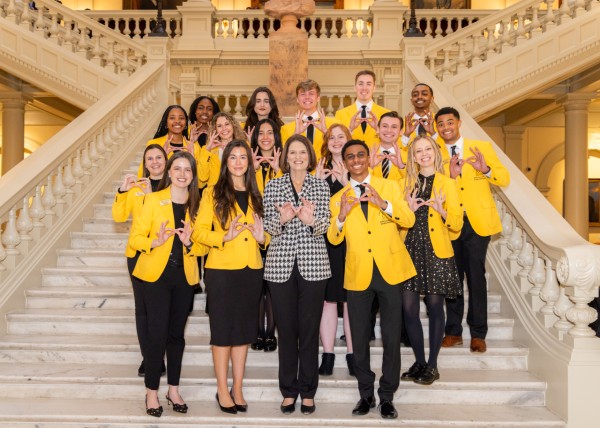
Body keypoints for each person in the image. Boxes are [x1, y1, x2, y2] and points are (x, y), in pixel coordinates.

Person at [327, 139, 415, 420]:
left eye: (360, 155)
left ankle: (387, 396)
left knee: (391, 336)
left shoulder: (390, 186)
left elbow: (408, 219)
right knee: (360, 337)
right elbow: (333, 237)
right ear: (345, 162)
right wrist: (340, 216)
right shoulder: (336, 198)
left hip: (390, 270)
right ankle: (365, 393)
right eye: (350, 156)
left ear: (369, 158)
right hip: (358, 274)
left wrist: (384, 204)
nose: (355, 160)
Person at [129, 151, 206, 417]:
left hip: (184, 278)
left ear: (193, 175)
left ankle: (173, 389)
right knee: (157, 335)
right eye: (177, 168)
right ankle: (151, 392)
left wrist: (189, 243)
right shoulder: (152, 200)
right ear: (170, 172)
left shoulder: (198, 206)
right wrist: (154, 242)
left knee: (177, 336)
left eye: (188, 170)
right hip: (155, 277)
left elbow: (203, 245)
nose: (182, 174)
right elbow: (135, 239)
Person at [196, 140, 268, 414]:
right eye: (233, 157)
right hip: (222, 270)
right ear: (225, 162)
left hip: (251, 269)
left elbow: (265, 231)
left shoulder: (255, 192)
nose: (238, 162)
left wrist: (264, 239)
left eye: (243, 158)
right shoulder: (212, 194)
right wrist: (223, 236)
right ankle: (222, 389)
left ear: (249, 163)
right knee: (223, 333)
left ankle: (238, 387)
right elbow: (200, 232)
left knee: (243, 333)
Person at [263, 134, 331, 416]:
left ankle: (308, 391)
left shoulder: (321, 185)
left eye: (302, 152)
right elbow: (268, 225)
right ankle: (288, 391)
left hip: (314, 266)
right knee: (287, 332)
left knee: (309, 331)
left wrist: (311, 221)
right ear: (285, 157)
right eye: (293, 152)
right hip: (280, 267)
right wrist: (282, 219)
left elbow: (325, 223)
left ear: (309, 155)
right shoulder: (273, 185)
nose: (298, 157)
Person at [435, 107, 510, 353]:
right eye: (441, 124)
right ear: (437, 127)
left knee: (476, 277)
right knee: (452, 279)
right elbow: (433, 185)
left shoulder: (481, 148)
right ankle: (453, 331)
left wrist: (485, 169)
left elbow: (504, 178)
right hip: (449, 222)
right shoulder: (434, 151)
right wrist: (449, 175)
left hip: (478, 223)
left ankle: (478, 333)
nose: (446, 127)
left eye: (449, 122)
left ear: (458, 122)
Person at [400, 136, 463, 385]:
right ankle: (420, 361)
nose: (424, 154)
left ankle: (433, 365)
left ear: (435, 153)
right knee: (408, 308)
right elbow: (396, 221)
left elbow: (457, 224)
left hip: (437, 251)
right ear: (413, 157)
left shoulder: (448, 183)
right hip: (410, 249)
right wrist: (409, 211)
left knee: (436, 306)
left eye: (428, 149)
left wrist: (442, 210)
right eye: (418, 151)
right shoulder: (404, 184)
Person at [112, 144, 167, 378]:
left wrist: (150, 197)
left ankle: (159, 353)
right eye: (150, 159)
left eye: (158, 157)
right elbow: (119, 216)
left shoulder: (173, 186)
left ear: (166, 161)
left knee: (161, 310)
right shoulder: (135, 189)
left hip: (165, 253)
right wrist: (123, 191)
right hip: (138, 254)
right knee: (142, 310)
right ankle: (150, 358)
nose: (154, 162)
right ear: (144, 163)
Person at [315, 123, 354, 376]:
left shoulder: (358, 168)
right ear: (326, 141)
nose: (336, 141)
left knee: (350, 301)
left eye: (341, 137)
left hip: (352, 243)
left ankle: (353, 353)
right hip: (326, 243)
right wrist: (317, 183)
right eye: (332, 137)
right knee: (327, 301)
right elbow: (313, 210)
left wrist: (345, 181)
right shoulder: (319, 169)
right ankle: (327, 353)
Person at [249, 118, 283, 353]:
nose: (265, 137)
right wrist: (252, 169)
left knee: (270, 286)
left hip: (277, 231)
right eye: (261, 133)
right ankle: (255, 332)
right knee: (255, 285)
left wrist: (278, 169)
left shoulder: (284, 164)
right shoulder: (247, 163)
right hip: (251, 230)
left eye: (270, 132)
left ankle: (269, 333)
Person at [137, 105, 200, 179]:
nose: (177, 121)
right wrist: (162, 157)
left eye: (181, 118)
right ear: (166, 123)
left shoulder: (194, 147)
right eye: (172, 118)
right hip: (160, 189)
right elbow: (142, 174)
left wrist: (192, 159)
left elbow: (201, 182)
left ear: (186, 123)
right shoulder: (154, 144)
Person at [334, 70, 390, 147]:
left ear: (374, 88)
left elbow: (393, 142)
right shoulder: (340, 114)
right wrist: (349, 130)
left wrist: (378, 130)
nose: (364, 88)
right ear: (354, 87)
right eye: (360, 84)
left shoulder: (386, 114)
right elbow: (336, 143)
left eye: (368, 84)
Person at [280, 80, 334, 158]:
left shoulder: (334, 124)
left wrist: (326, 132)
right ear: (297, 99)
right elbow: (284, 156)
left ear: (318, 98)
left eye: (311, 94)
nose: (307, 97)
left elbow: (341, 149)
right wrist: (296, 135)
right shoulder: (286, 129)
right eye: (303, 94)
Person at [199, 112, 247, 188]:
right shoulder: (207, 150)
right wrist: (208, 150)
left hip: (238, 193)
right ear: (215, 129)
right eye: (219, 126)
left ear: (233, 126)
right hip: (214, 196)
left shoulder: (244, 147)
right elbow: (202, 177)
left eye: (227, 124)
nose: (224, 128)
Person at [370, 111, 407, 181]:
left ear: (401, 131)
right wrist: (370, 167)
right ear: (378, 129)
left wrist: (401, 167)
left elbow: (413, 183)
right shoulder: (367, 155)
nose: (389, 130)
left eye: (394, 127)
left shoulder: (409, 157)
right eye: (385, 126)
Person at [401, 83, 437, 148]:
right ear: (411, 101)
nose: (419, 97)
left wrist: (433, 134)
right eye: (415, 95)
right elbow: (398, 149)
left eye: (424, 94)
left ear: (432, 99)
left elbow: (445, 148)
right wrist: (406, 135)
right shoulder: (402, 124)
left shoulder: (439, 122)